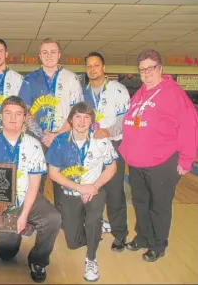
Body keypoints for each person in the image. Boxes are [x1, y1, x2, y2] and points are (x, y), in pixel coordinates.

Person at [0, 96, 61, 283]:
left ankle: (38, 260)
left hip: (28, 198)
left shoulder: (33, 145)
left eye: (18, 114)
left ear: (24, 118)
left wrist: (24, 214)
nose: (13, 118)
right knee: (6, 254)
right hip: (1, 204)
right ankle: (15, 236)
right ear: (1, 117)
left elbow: (35, 184)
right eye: (8, 113)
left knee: (53, 218)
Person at [119, 49, 198, 262]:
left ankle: (158, 244)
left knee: (159, 206)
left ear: (160, 68)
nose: (146, 73)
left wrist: (186, 159)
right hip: (137, 162)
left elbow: (190, 125)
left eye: (150, 68)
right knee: (141, 203)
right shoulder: (140, 93)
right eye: (142, 70)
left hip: (162, 162)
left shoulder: (173, 93)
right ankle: (143, 237)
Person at [47, 102, 118, 282]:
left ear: (91, 121)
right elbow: (53, 173)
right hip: (71, 193)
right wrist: (80, 188)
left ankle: (92, 258)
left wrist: (93, 187)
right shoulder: (60, 141)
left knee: (93, 219)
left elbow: (112, 168)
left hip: (94, 191)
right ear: (71, 119)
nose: (82, 121)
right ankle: (96, 228)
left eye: (86, 117)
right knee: (72, 242)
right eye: (78, 116)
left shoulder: (101, 140)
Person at [19, 37, 83, 203]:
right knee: (34, 183)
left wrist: (58, 134)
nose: (49, 55)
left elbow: (77, 111)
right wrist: (43, 135)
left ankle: (65, 219)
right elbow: (24, 111)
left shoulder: (71, 78)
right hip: (36, 139)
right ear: (39, 55)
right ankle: (34, 219)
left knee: (64, 182)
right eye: (45, 52)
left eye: (53, 52)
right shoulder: (29, 80)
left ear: (59, 54)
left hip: (64, 138)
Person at [83, 51, 130, 250]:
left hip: (112, 147)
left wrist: (107, 131)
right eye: (89, 66)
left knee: (114, 193)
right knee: (89, 191)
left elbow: (124, 121)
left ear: (103, 67)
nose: (92, 69)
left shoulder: (118, 90)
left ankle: (120, 234)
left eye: (96, 65)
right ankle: (93, 229)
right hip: (89, 150)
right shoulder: (81, 92)